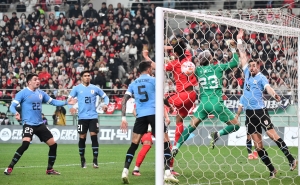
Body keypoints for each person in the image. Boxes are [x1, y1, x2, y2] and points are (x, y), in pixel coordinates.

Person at [237, 29, 297, 178]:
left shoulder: (262, 77)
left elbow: (268, 88)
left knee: (272, 136)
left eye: (254, 66)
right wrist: (239, 40)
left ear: (258, 66)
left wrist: (275, 94)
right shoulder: (246, 73)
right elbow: (243, 56)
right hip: (249, 113)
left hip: (260, 111)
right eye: (250, 66)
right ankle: (272, 169)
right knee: (258, 146)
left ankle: (291, 159)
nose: (251, 67)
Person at [172, 36, 241, 156]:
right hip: (216, 104)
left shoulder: (197, 70)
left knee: (190, 127)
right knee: (236, 126)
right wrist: (233, 49)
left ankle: (177, 146)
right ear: (210, 58)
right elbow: (235, 62)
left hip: (203, 104)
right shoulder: (217, 67)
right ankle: (217, 134)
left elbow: (187, 70)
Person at [4, 73, 77, 175]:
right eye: (35, 79)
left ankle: (49, 169)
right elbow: (13, 106)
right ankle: (10, 167)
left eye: (38, 79)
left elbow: (54, 102)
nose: (38, 81)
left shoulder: (41, 93)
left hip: (40, 124)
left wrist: (66, 102)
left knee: (53, 145)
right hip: (28, 123)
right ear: (29, 82)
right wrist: (15, 112)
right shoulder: (22, 93)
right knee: (25, 144)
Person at [120, 61, 178, 184]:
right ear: (148, 69)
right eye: (151, 68)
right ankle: (167, 173)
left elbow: (124, 101)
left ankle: (125, 171)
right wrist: (170, 107)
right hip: (154, 114)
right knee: (165, 143)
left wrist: (123, 118)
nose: (152, 70)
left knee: (134, 144)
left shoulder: (133, 83)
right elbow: (161, 98)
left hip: (141, 116)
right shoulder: (154, 80)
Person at [143, 40, 197, 148]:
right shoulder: (188, 56)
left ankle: (153, 129)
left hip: (182, 95)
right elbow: (180, 49)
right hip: (192, 96)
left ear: (175, 53)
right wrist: (171, 48)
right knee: (179, 119)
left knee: (159, 100)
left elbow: (155, 66)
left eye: (173, 52)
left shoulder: (174, 64)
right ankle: (176, 146)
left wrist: (146, 57)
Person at [68, 70, 109, 169]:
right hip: (82, 117)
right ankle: (82, 159)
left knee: (94, 136)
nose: (87, 77)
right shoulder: (76, 88)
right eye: (85, 76)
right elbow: (69, 99)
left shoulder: (95, 88)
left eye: (89, 76)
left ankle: (95, 160)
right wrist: (72, 107)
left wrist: (105, 104)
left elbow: (105, 97)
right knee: (82, 137)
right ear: (82, 77)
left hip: (93, 117)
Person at [131, 105, 179, 176]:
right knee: (147, 145)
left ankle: (170, 169)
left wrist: (167, 117)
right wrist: (143, 121)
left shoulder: (158, 98)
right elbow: (134, 110)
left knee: (168, 146)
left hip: (158, 125)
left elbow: (163, 107)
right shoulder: (143, 98)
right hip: (147, 126)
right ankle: (136, 169)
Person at [235, 95, 258, 160]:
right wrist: (237, 116)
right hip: (249, 119)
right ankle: (250, 154)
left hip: (258, 118)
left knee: (258, 136)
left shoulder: (256, 94)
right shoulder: (243, 97)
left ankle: (256, 151)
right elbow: (240, 107)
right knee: (249, 136)